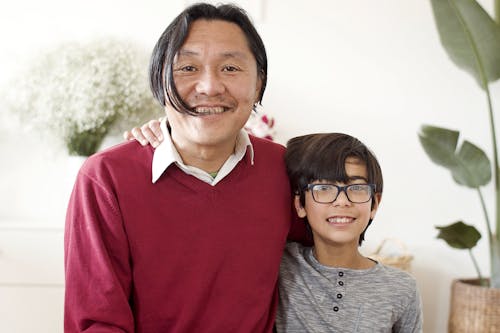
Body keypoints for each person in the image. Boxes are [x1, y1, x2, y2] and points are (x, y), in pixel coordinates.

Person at [64, 3, 307, 332]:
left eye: (230, 68)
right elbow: (97, 321)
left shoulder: (288, 170)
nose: (209, 86)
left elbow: (327, 272)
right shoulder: (106, 179)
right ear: (160, 81)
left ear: (259, 83)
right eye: (188, 68)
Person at [278, 132, 423, 332]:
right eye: (324, 187)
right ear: (300, 204)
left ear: (374, 204)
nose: (342, 201)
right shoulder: (281, 265)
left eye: (356, 188)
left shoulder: (402, 288)